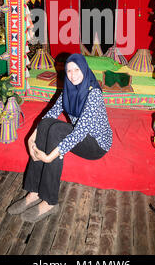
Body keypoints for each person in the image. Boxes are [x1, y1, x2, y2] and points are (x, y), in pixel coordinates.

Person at [7, 53, 112, 223]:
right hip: (80, 135)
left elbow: (79, 133)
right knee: (47, 123)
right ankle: (34, 192)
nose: (72, 75)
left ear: (85, 69)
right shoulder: (68, 90)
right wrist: (31, 138)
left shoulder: (94, 95)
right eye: (69, 71)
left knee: (56, 131)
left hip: (96, 144)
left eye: (77, 69)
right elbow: (52, 113)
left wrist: (49, 157)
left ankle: (49, 202)